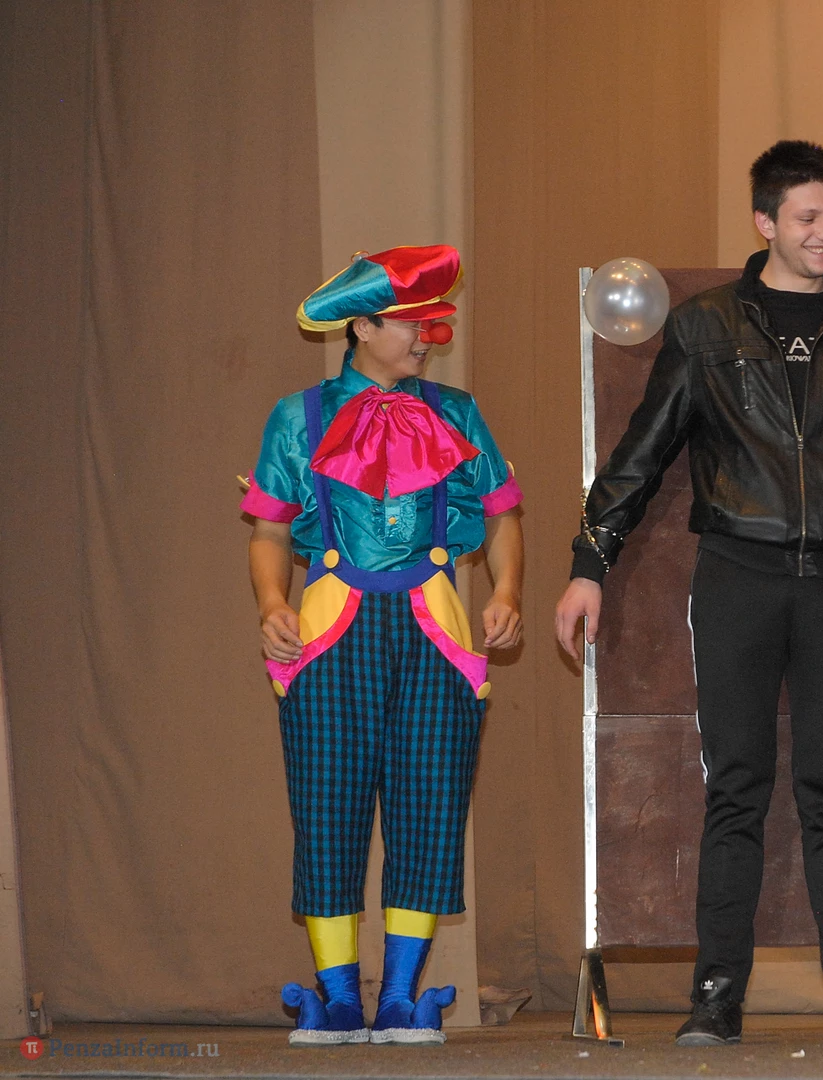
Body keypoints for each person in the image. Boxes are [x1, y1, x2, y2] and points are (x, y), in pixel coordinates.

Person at [555, 140, 823, 1046]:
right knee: (736, 788)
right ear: (765, 222)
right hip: (738, 579)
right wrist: (590, 564)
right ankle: (716, 995)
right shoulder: (705, 327)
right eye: (808, 217)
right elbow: (641, 455)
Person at [243, 245, 524, 1046]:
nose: (427, 338)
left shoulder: (458, 410)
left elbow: (502, 514)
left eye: (433, 324)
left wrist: (506, 592)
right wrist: (273, 601)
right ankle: (337, 999)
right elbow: (268, 529)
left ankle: (400, 996)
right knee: (326, 808)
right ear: (361, 327)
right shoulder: (297, 417)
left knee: (430, 807)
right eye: (410, 324)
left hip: (436, 629)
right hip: (331, 629)